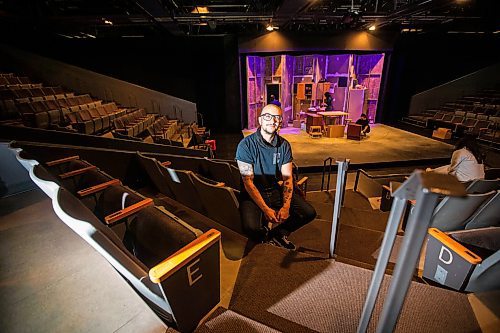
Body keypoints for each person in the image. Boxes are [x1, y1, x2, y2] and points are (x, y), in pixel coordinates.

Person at [236, 104, 317, 250]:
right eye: (268, 116)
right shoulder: (245, 145)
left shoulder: (284, 145)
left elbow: (287, 178)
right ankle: (265, 235)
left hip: (273, 189)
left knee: (308, 213)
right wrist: (266, 209)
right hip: (252, 193)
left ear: (280, 122)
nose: (272, 121)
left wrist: (286, 207)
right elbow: (248, 183)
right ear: (260, 120)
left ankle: (279, 233)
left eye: (277, 118)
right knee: (251, 227)